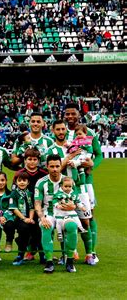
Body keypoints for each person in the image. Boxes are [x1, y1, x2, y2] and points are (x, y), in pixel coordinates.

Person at [46, 120, 95, 265]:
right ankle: (66, 255)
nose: (61, 132)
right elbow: (54, 170)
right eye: (58, 129)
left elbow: (87, 160)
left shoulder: (76, 145)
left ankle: (90, 254)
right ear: (53, 131)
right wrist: (68, 158)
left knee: (86, 222)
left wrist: (89, 163)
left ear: (66, 130)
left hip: (80, 189)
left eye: (63, 129)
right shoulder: (51, 150)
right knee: (62, 224)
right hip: (61, 191)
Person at [64, 102, 102, 263]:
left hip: (85, 183)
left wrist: (92, 165)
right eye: (68, 114)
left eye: (73, 113)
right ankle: (70, 251)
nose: (70, 116)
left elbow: (99, 155)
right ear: (64, 115)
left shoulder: (89, 132)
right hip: (64, 183)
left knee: (89, 217)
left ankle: (91, 252)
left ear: (79, 114)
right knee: (64, 215)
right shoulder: (61, 132)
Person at [34, 154, 77, 274]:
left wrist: (74, 205)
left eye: (57, 166)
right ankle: (49, 262)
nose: (54, 169)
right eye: (51, 166)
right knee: (45, 226)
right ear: (47, 167)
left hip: (66, 213)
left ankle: (69, 261)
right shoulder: (41, 183)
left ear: (60, 166)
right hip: (49, 212)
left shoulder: (68, 181)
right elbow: (37, 203)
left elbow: (76, 199)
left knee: (72, 227)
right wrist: (42, 218)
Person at [12, 147, 47, 262]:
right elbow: (14, 193)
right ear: (25, 160)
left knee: (39, 231)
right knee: (23, 230)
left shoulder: (43, 174)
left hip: (39, 209)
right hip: (22, 210)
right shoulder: (19, 174)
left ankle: (43, 255)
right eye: (29, 159)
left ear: (38, 160)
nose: (32, 162)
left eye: (34, 159)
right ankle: (21, 254)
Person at [52, 177, 85, 273]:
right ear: (61, 186)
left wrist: (81, 207)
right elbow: (54, 201)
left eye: (69, 186)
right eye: (66, 186)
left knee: (75, 218)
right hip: (60, 212)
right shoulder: (59, 194)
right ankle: (59, 234)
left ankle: (81, 227)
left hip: (70, 212)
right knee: (58, 222)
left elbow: (78, 201)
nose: (68, 188)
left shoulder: (73, 193)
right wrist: (57, 205)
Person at [9, 171, 36, 266]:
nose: (22, 182)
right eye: (19, 180)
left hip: (29, 218)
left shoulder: (30, 193)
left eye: (24, 180)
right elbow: (14, 209)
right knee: (24, 229)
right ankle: (20, 255)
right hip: (18, 218)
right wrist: (24, 218)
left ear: (28, 182)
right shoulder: (14, 193)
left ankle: (41, 254)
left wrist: (31, 218)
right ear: (16, 182)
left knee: (37, 229)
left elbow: (32, 207)